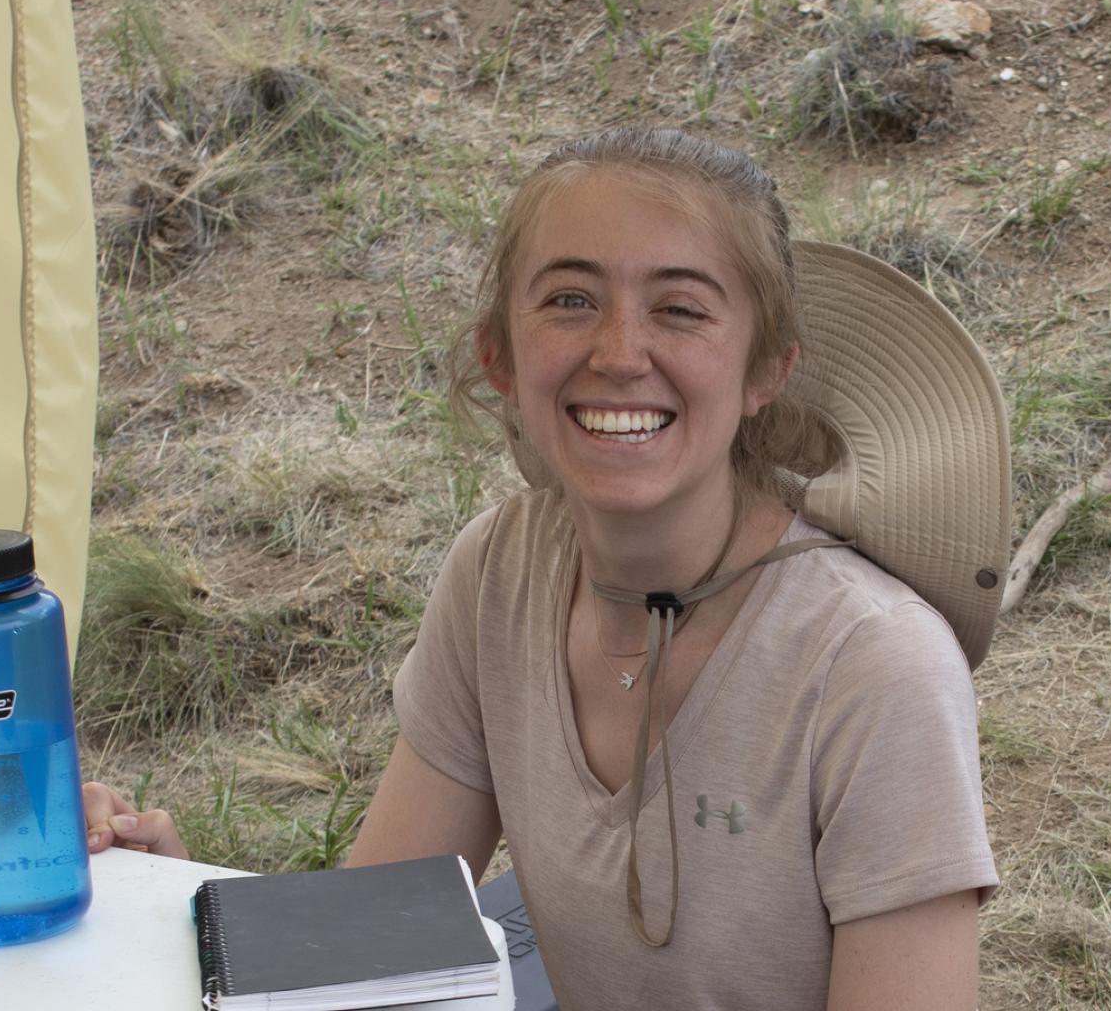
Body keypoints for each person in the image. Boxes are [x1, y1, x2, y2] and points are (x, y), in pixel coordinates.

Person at [84, 127, 1012, 1010]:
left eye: (681, 309)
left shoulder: (874, 668)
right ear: (500, 352)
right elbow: (377, 946)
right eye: (571, 300)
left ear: (766, 369)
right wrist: (171, 894)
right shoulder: (502, 570)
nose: (617, 354)